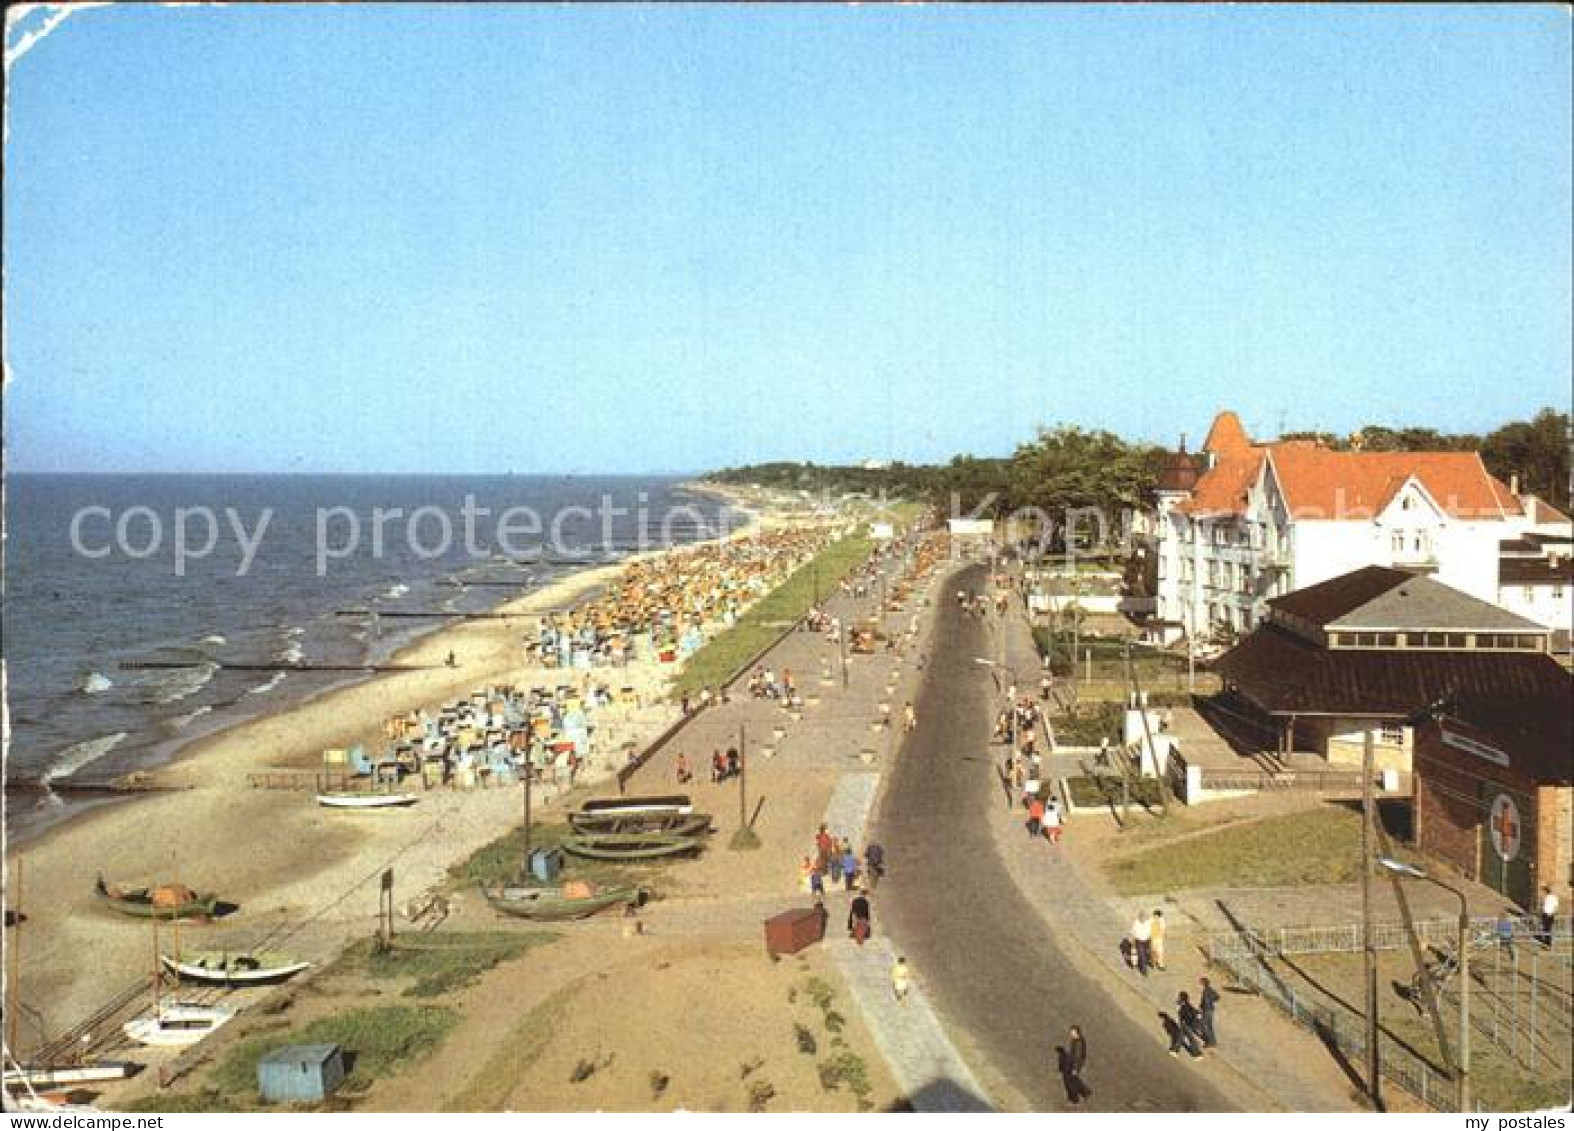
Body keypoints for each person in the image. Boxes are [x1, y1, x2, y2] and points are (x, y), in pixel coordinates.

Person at [1060, 1024, 1090, 1103]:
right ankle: (1085, 1092)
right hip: (1072, 1063)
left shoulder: (1079, 1043)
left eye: (1072, 1032)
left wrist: (1075, 1069)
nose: (1071, 1034)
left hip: (1075, 1064)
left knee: (1069, 1081)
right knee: (1072, 1079)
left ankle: (1074, 1099)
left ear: (1077, 1033)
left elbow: (1078, 1057)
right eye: (1071, 1032)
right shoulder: (1075, 1040)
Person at [1198, 977, 1219, 1048]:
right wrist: (1213, 1003)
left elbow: (1204, 1002)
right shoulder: (1211, 990)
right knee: (1209, 1026)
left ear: (1203, 984)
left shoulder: (1205, 992)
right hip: (1211, 1010)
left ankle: (1208, 1042)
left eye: (1200, 983)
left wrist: (1201, 1009)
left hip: (1206, 1010)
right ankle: (1213, 1041)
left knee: (1203, 1025)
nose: (1199, 985)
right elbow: (1217, 997)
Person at [1131, 912, 1153, 976]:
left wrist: (1151, 938)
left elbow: (1151, 931)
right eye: (1141, 918)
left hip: (1147, 940)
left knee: (1146, 953)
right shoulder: (1136, 923)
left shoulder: (1148, 922)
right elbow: (1133, 932)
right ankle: (1144, 970)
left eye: (1144, 918)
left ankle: (1146, 962)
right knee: (1142, 954)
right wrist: (1133, 941)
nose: (1142, 919)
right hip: (1139, 941)